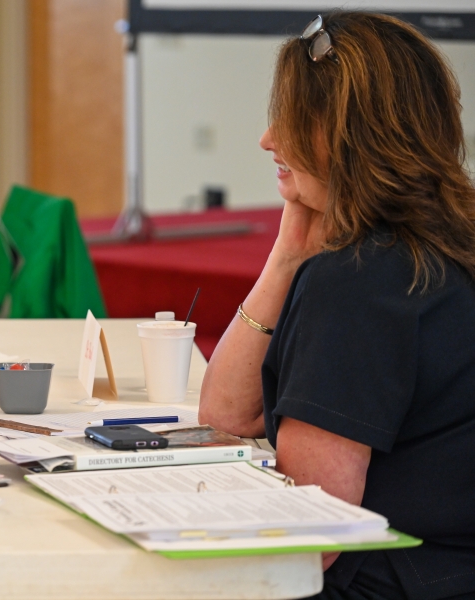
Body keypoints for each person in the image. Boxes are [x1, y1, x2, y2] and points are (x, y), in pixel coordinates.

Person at [198, 11, 475, 599]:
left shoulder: (360, 282)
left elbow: (309, 541)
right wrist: (289, 251)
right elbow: (230, 414)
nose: (268, 140)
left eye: (290, 120)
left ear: (343, 134)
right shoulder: (447, 244)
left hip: (381, 583)